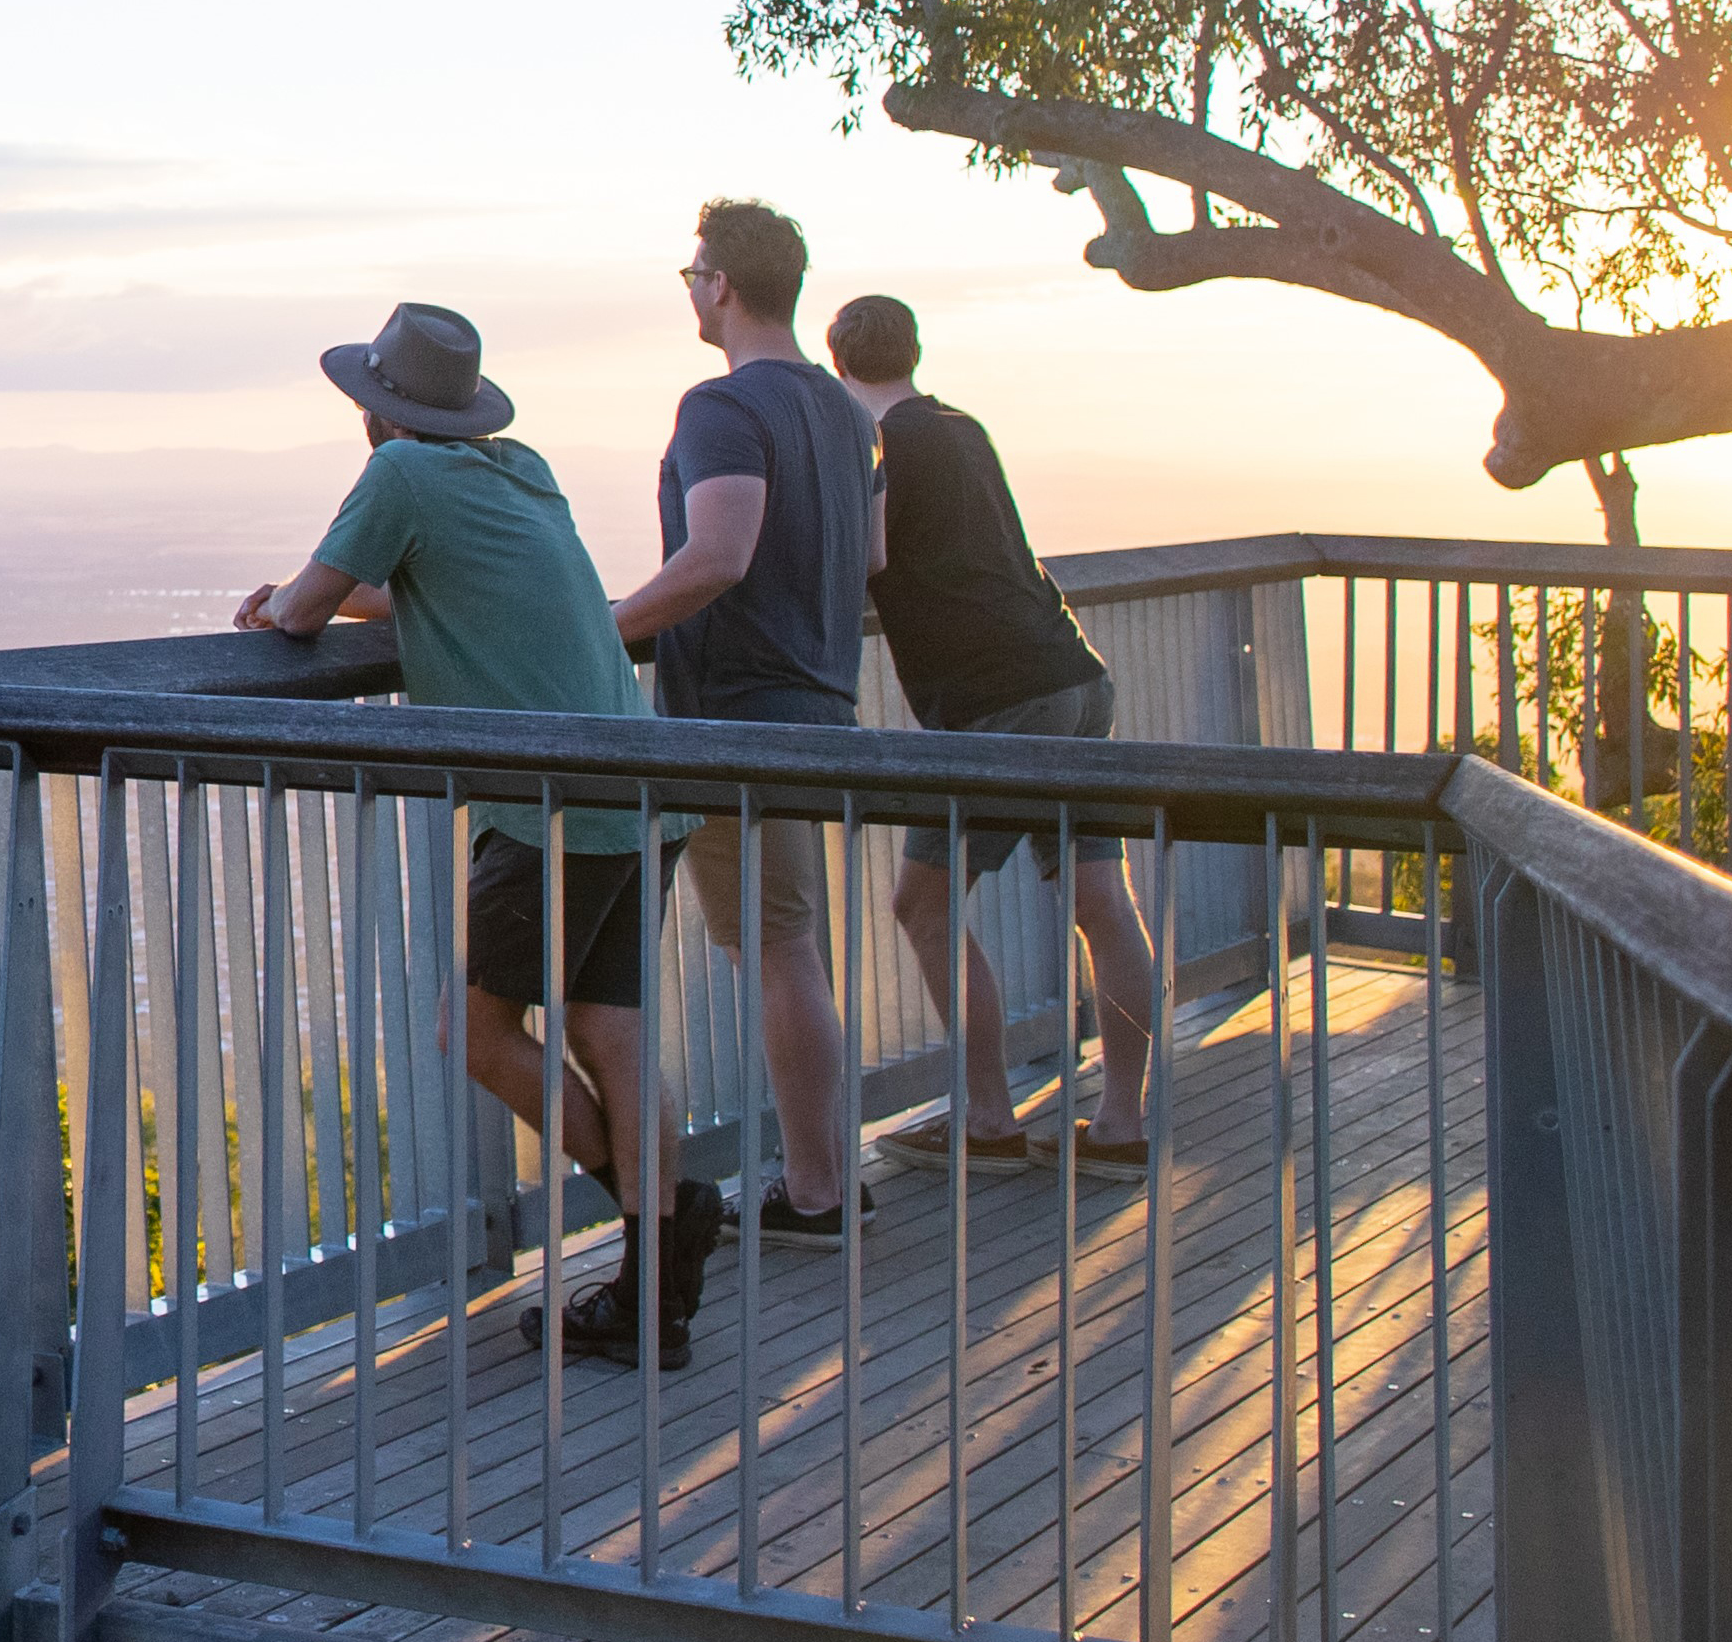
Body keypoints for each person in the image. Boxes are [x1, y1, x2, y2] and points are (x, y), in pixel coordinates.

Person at [239, 302, 724, 1366]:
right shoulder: (520, 468)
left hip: (545, 803)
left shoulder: (398, 477)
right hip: (636, 781)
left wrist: (278, 603)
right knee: (611, 1033)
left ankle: (663, 1212)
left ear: (375, 413)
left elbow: (306, 613)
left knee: (479, 1034)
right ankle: (652, 1288)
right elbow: (441, 589)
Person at [827, 294, 1162, 1174]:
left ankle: (985, 1118)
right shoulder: (959, 426)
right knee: (1101, 903)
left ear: (836, 367)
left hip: (998, 701)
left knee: (922, 903)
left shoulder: (877, 445)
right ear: (912, 353)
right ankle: (1121, 1125)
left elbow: (863, 559)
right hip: (1072, 675)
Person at [609, 198, 880, 1249]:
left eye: (691, 274)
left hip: (732, 719)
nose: (689, 289)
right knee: (788, 943)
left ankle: (816, 1190)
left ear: (718, 285)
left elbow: (716, 556)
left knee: (775, 949)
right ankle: (821, 1178)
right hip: (815, 699)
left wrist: (605, 634)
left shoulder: (721, 409)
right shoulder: (842, 413)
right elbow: (865, 562)